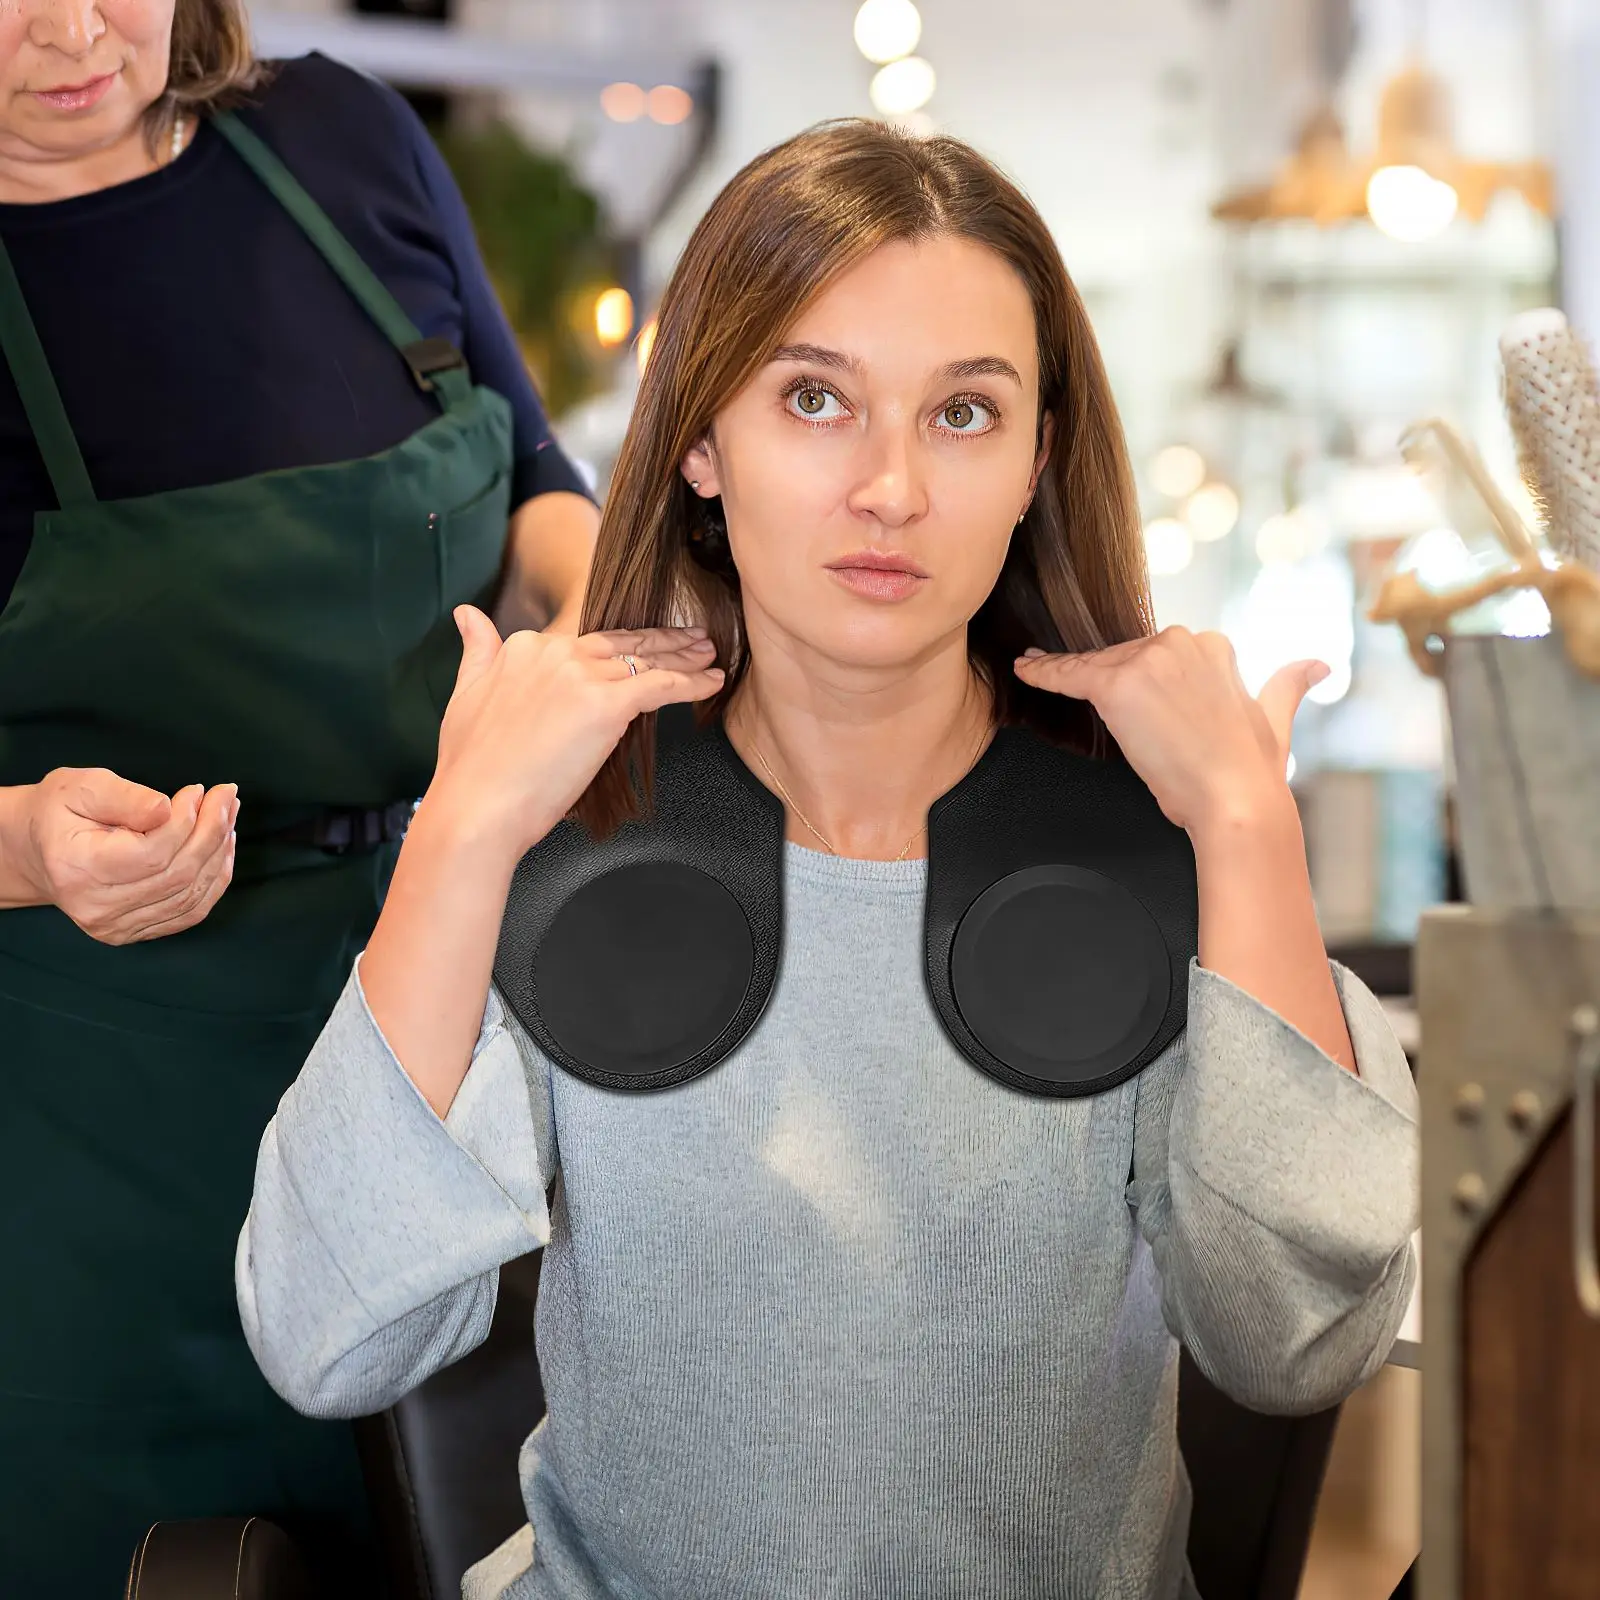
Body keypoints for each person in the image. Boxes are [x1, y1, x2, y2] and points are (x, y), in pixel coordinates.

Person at [238, 121, 1419, 1599]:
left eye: (965, 415)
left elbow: (1298, 1340)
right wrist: (464, 834)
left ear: (1040, 452)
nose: (892, 489)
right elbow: (323, 1330)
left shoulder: (1166, 848)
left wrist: (1247, 838)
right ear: (700, 442)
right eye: (816, 399)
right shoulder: (565, 843)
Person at [0, 1, 597, 1593]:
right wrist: (20, 845)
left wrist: (649, 631)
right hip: (105, 1122)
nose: (69, 29)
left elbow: (535, 473)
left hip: (451, 1021)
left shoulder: (342, 138)